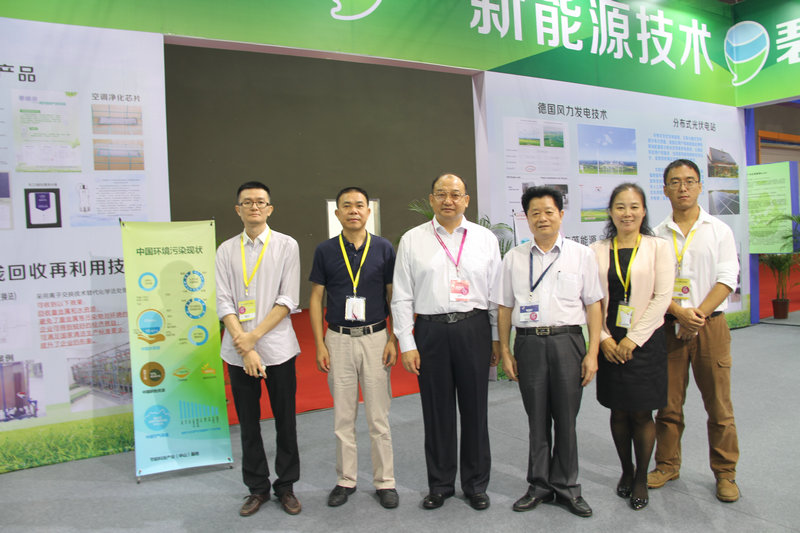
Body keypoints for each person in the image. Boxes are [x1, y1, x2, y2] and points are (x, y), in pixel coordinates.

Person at [392, 173, 501, 511]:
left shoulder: (485, 239)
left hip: (474, 328)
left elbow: (496, 294)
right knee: (436, 412)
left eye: (455, 194)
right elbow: (401, 296)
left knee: (475, 410)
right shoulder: (413, 240)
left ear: (466, 200)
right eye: (441, 194)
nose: (448, 200)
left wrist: (496, 338)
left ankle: (475, 485)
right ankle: (440, 485)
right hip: (431, 332)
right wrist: (406, 342)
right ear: (431, 199)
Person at [495, 186, 602, 518]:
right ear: (526, 218)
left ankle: (567, 487)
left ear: (561, 215)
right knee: (537, 419)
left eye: (549, 212)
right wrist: (506, 351)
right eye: (535, 213)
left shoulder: (581, 255)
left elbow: (594, 305)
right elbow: (504, 307)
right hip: (528, 344)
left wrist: (592, 353)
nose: (542, 218)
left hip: (568, 342)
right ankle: (539, 485)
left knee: (566, 419)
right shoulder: (514, 258)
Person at [648, 159, 741, 503]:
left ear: (700, 186)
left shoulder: (719, 230)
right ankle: (667, 465)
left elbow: (727, 279)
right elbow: (652, 284)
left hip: (710, 327)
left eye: (689, 181)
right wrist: (679, 313)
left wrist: (696, 316)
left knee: (719, 406)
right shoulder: (656, 235)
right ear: (665, 189)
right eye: (675, 182)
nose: (683, 188)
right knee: (668, 405)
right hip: (668, 327)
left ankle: (726, 473)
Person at [215, 181, 302, 517]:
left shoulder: (287, 245)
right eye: (247, 202)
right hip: (238, 352)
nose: (254, 207)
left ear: (270, 208)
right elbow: (223, 301)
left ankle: (286, 486)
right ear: (238, 209)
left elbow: (288, 299)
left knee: (286, 421)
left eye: (260, 202)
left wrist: (253, 338)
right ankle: (257, 488)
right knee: (249, 424)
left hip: (277, 348)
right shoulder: (226, 250)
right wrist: (245, 344)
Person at [309, 186, 399, 510]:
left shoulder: (384, 248)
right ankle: (345, 480)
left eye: (359, 205)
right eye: (346, 206)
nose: (353, 211)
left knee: (378, 416)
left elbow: (393, 296)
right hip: (339, 339)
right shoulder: (325, 250)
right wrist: (320, 343)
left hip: (376, 337)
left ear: (368, 211)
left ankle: (385, 481)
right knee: (343, 417)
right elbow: (316, 298)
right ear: (337, 213)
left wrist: (393, 339)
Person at [589, 183, 672, 511]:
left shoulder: (658, 247)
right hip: (610, 343)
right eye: (620, 207)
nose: (628, 213)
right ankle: (625, 469)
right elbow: (591, 299)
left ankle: (640, 477)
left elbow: (662, 297)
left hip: (645, 343)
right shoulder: (596, 250)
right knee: (619, 410)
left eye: (634, 206)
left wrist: (633, 339)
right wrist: (605, 338)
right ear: (611, 212)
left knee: (642, 412)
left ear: (644, 211)